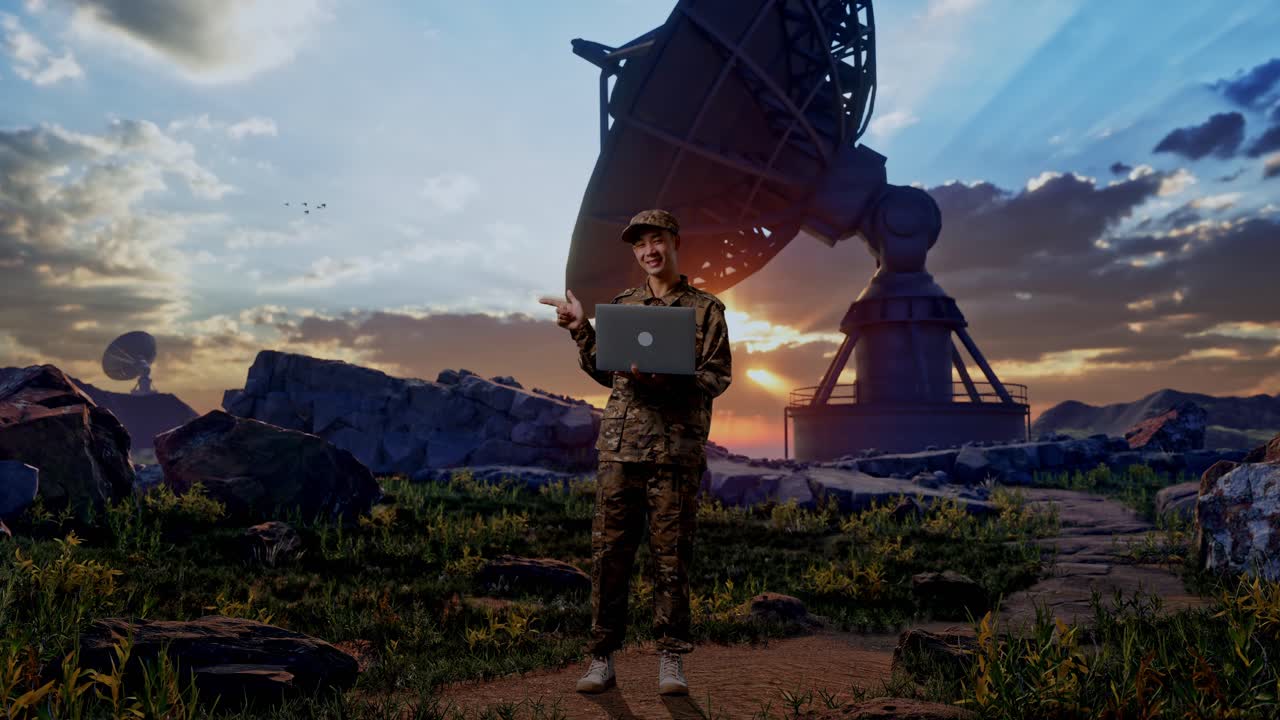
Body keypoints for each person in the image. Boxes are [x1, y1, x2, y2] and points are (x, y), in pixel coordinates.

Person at [539, 209, 732, 696]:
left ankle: (670, 659)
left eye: (657, 239)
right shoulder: (623, 307)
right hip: (620, 451)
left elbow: (717, 377)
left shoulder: (707, 310)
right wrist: (580, 328)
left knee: (671, 558)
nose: (649, 250)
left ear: (675, 241)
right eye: (640, 243)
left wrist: (670, 378)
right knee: (609, 555)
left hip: (674, 452)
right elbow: (606, 370)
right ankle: (601, 657)